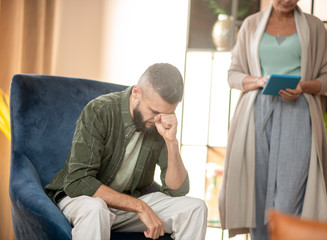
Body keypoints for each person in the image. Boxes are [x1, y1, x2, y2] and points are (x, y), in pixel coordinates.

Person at [45, 63, 208, 240]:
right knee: (96, 209)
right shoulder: (100, 110)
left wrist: (171, 141)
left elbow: (177, 191)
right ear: (136, 92)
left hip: (128, 203)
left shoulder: (161, 123)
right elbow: (78, 181)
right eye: (154, 111)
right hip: (83, 199)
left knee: (196, 209)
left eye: (167, 113)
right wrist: (139, 206)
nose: (158, 120)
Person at [218, 1, 327, 240]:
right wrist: (260, 81)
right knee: (256, 193)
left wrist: (303, 86)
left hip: (299, 114)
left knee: (289, 197)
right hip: (255, 115)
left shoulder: (314, 27)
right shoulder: (250, 25)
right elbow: (233, 75)